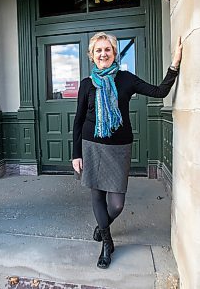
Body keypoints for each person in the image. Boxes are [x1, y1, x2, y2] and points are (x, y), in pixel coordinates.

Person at [72, 32, 182, 269]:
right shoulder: (86, 85)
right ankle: (107, 243)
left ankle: (102, 226)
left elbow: (159, 92)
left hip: (119, 148)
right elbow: (78, 121)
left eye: (107, 50)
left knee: (117, 204)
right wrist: (76, 154)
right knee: (97, 196)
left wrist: (174, 66)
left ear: (114, 53)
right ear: (92, 56)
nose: (103, 54)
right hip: (91, 146)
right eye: (98, 50)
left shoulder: (125, 79)